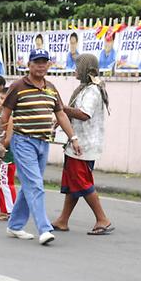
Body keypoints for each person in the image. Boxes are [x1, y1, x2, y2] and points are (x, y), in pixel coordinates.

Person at [1, 48, 81, 245]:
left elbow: (60, 114)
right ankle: (44, 229)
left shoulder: (51, 88)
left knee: (29, 185)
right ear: (29, 65)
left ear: (49, 65)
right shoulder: (18, 86)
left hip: (43, 143)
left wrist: (73, 138)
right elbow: (5, 115)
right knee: (36, 185)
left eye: (44, 61)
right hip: (23, 141)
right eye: (37, 61)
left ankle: (15, 225)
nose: (41, 65)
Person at [51, 54, 113, 235]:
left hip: (84, 145)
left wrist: (61, 108)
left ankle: (102, 219)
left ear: (85, 68)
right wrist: (62, 117)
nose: (75, 70)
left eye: (77, 67)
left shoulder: (93, 90)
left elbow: (85, 114)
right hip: (77, 144)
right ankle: (63, 219)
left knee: (81, 181)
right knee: (73, 183)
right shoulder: (84, 88)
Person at [0, 75, 15, 221]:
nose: (1, 101)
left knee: (6, 183)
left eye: (4, 99)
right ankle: (3, 210)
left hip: (6, 156)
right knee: (0, 183)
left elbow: (8, 138)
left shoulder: (10, 117)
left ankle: (11, 211)